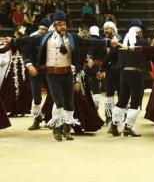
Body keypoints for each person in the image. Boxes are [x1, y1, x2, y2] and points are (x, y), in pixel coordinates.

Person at [1, 10, 120, 141]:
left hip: (67, 74)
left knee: (69, 104)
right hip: (52, 75)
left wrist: (108, 43)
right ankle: (57, 127)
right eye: (59, 24)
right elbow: (30, 40)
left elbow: (90, 42)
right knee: (59, 103)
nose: (62, 27)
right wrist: (14, 40)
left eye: (64, 24)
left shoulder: (72, 37)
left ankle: (67, 129)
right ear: (54, 25)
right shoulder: (46, 37)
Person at [101, 20, 150, 137]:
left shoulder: (122, 42)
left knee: (122, 100)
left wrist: (102, 69)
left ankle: (114, 125)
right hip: (136, 74)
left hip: (123, 74)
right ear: (139, 31)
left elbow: (109, 56)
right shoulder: (143, 42)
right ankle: (128, 127)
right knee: (136, 101)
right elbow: (152, 56)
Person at [21, 18, 51, 130]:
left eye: (44, 29)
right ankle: (37, 120)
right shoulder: (32, 39)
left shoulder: (51, 40)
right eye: (40, 29)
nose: (41, 31)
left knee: (54, 95)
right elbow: (25, 53)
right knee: (37, 97)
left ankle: (50, 117)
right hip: (35, 71)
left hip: (48, 71)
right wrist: (29, 65)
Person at [0, 28, 33, 117]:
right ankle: (21, 108)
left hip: (17, 65)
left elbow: (4, 49)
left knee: (14, 85)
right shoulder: (26, 42)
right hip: (20, 65)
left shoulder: (14, 42)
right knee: (21, 85)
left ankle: (16, 108)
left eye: (16, 35)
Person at [100, 21, 122, 124]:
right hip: (108, 71)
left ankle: (121, 115)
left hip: (119, 70)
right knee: (109, 94)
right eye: (104, 29)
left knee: (122, 93)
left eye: (107, 29)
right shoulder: (102, 41)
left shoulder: (120, 39)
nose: (105, 31)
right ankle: (109, 116)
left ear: (113, 29)